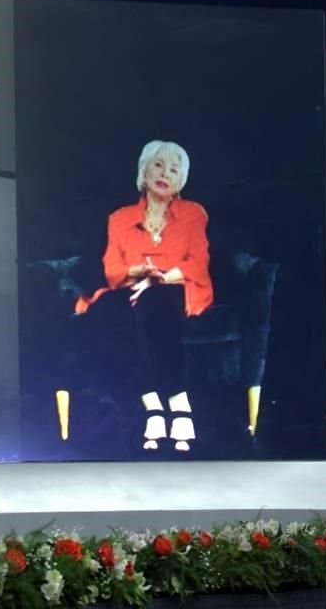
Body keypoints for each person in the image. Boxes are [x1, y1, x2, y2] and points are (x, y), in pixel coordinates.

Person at [75, 140, 213, 452]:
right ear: (145, 169)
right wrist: (141, 273)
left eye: (174, 170)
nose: (165, 173)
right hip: (129, 289)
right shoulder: (120, 218)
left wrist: (159, 278)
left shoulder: (193, 214)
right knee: (110, 306)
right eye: (159, 165)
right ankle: (153, 404)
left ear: (180, 181)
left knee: (157, 301)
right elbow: (113, 269)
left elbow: (197, 264)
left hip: (178, 287)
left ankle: (179, 402)